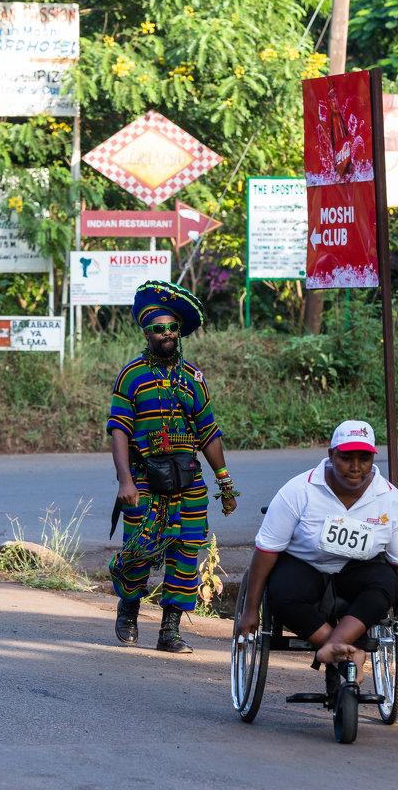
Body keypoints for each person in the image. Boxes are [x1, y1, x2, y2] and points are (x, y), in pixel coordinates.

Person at [237, 420, 398, 690]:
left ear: (373, 458)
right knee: (281, 591)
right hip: (306, 564)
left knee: (387, 583)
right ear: (331, 455)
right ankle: (348, 655)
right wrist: (249, 611)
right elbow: (266, 551)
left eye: (364, 459)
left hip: (358, 568)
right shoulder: (298, 491)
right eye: (346, 458)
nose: (355, 468)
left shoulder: (392, 502)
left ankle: (336, 649)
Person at [107, 280, 239, 653]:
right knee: (139, 549)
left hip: (189, 482)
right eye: (157, 328)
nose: (165, 334)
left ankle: (170, 630)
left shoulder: (194, 379)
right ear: (146, 333)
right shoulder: (131, 375)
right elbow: (119, 430)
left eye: (171, 328)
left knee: (185, 554)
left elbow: (209, 432)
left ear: (179, 332)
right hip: (144, 481)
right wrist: (125, 481)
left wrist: (225, 484)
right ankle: (129, 608)